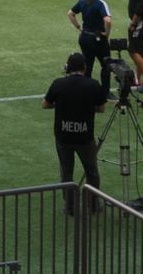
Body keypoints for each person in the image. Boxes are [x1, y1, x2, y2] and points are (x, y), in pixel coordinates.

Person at [44, 52, 109, 211]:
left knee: (66, 173)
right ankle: (93, 205)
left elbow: (45, 104)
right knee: (91, 172)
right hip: (85, 137)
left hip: (63, 136)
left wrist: (59, 105)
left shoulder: (58, 83)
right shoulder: (93, 84)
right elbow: (101, 108)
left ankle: (70, 206)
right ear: (84, 68)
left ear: (68, 68)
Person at [69, 0, 112, 81]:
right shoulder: (100, 3)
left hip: (85, 37)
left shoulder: (82, 2)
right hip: (97, 38)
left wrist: (78, 27)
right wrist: (106, 33)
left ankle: (86, 91)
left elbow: (70, 14)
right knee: (106, 65)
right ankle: (105, 92)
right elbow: (108, 20)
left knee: (87, 66)